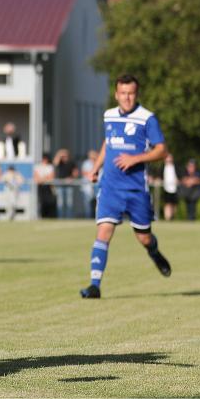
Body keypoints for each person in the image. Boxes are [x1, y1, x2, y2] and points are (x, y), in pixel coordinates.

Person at [80, 75, 171, 299]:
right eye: (123, 93)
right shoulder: (109, 115)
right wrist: (95, 167)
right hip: (110, 187)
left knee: (144, 237)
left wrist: (135, 159)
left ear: (136, 94)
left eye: (131, 93)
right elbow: (108, 142)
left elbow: (162, 150)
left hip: (135, 190)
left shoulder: (147, 119)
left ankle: (154, 251)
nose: (127, 98)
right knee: (103, 232)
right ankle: (94, 285)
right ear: (116, 94)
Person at [53, 149, 78, 219]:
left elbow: (76, 173)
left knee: (69, 202)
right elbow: (55, 162)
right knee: (60, 203)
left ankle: (69, 217)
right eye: (63, 156)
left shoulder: (71, 163)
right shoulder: (60, 162)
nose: (64, 157)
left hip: (69, 185)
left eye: (65, 156)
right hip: (60, 185)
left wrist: (71, 178)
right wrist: (59, 153)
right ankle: (60, 217)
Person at [33, 153, 57, 218]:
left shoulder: (50, 167)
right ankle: (41, 216)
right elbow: (36, 177)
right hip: (40, 187)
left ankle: (50, 216)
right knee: (41, 202)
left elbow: (51, 177)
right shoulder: (37, 167)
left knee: (49, 202)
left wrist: (42, 179)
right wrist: (44, 178)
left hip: (48, 187)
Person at [80, 149, 99, 219]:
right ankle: (88, 217)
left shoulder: (98, 162)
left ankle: (97, 216)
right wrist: (92, 174)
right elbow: (84, 172)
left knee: (97, 202)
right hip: (87, 186)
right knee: (87, 202)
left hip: (97, 184)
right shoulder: (86, 163)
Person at [161, 154, 178, 221]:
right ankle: (167, 218)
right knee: (167, 203)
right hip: (166, 188)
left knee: (174, 204)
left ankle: (173, 217)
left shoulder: (175, 166)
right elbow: (159, 176)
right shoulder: (162, 167)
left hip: (175, 188)